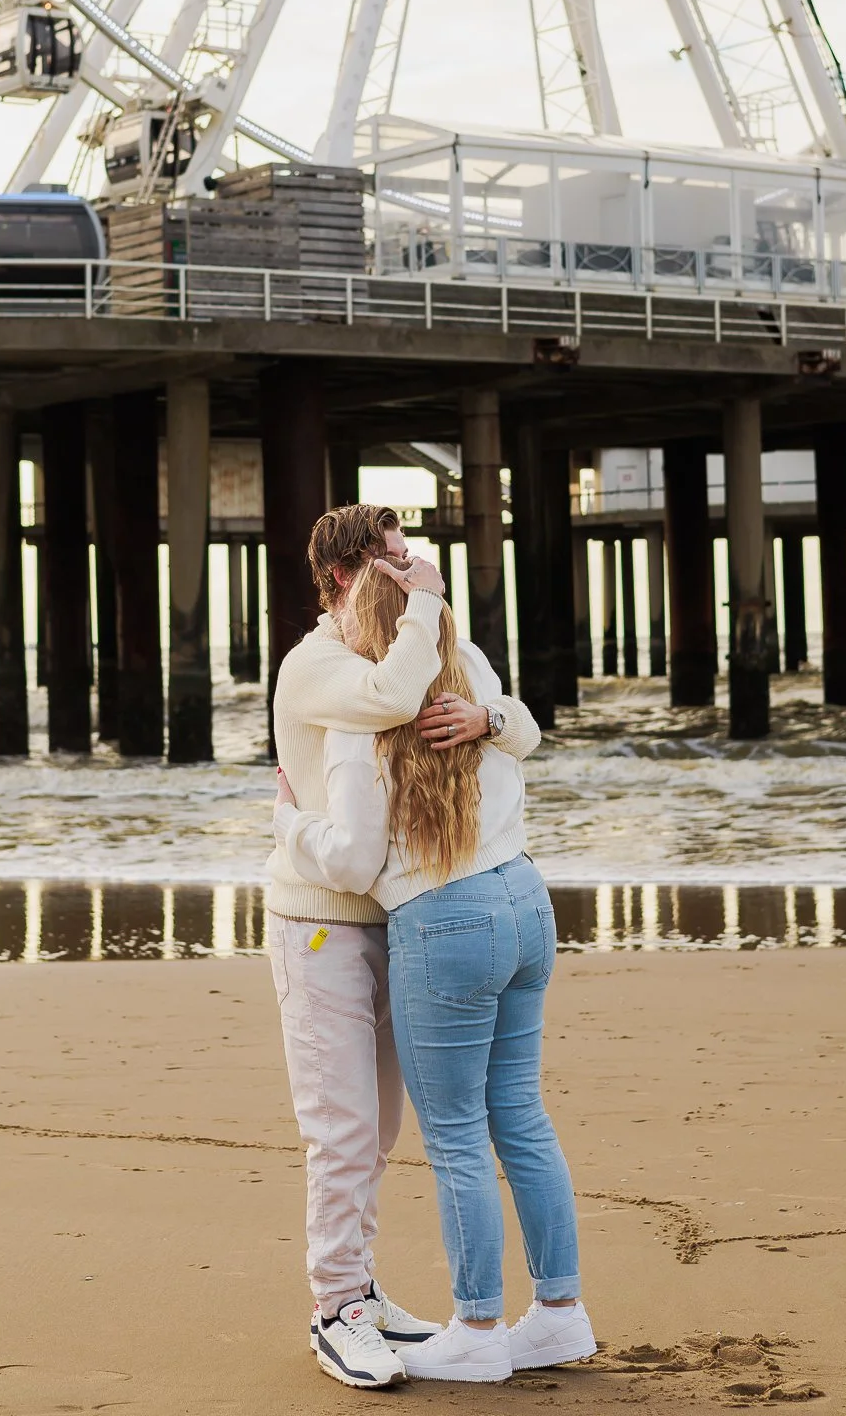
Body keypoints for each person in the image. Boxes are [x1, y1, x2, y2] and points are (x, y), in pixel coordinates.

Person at [274, 559, 593, 1386]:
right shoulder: (470, 670)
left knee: (454, 1139)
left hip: (445, 921)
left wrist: (287, 824)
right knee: (519, 1116)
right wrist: (488, 714)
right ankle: (560, 1315)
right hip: (525, 899)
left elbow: (351, 859)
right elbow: (523, 731)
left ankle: (478, 1330)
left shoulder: (363, 717)